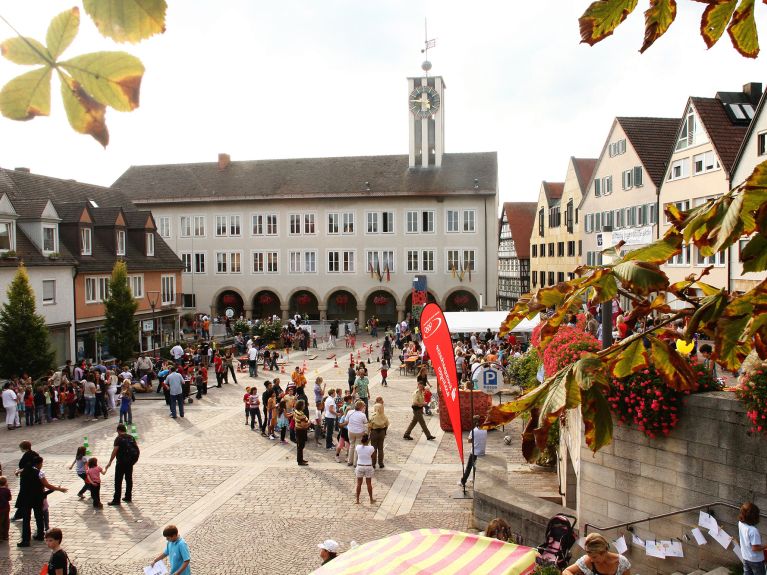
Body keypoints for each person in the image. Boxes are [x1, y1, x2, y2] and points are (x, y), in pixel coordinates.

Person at [563, 533, 631, 575]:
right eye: (590, 557)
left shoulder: (622, 562)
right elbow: (566, 571)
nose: (592, 560)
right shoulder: (587, 561)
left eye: (594, 557)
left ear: (604, 552)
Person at [105, 424, 138, 505]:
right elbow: (136, 447)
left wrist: (110, 461)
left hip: (121, 462)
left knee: (118, 480)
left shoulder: (118, 439)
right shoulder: (131, 437)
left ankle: (116, 499)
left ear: (119, 430)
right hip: (130, 462)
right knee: (129, 479)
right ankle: (128, 496)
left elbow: (115, 451)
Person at [739, 502, 767, 575]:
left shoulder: (740, 523)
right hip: (756, 560)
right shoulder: (753, 531)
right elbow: (755, 548)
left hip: (745, 557)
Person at [461, 416, 487, 487]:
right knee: (476, 467)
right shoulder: (485, 430)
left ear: (475, 423)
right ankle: (474, 479)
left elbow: (469, 441)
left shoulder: (473, 431)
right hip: (482, 452)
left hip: (474, 453)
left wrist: (474, 440)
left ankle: (463, 481)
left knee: (468, 467)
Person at [354, 433, 376, 505]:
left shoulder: (357, 447)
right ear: (368, 440)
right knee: (369, 484)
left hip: (360, 466)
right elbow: (373, 457)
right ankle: (371, 499)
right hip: (368, 466)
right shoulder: (371, 448)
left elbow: (358, 454)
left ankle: (357, 500)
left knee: (358, 484)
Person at [346, 400, 368, 467]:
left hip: (351, 431)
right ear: (361, 407)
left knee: (351, 446)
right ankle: (355, 463)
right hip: (359, 432)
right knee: (357, 446)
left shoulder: (350, 412)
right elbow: (365, 422)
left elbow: (346, 420)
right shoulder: (362, 415)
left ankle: (350, 461)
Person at [368, 398, 389, 469]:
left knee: (373, 449)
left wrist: (368, 433)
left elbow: (369, 426)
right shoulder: (384, 416)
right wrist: (385, 431)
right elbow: (387, 424)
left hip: (374, 432)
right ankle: (381, 463)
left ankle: (373, 463)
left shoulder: (373, 416)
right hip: (382, 432)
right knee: (381, 449)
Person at [294, 399, 310, 466]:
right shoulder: (301, 414)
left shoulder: (296, 411)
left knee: (299, 446)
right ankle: (300, 461)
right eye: (303, 405)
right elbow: (304, 425)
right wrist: (309, 423)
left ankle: (300, 459)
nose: (304, 406)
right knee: (301, 446)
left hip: (298, 429)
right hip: (301, 430)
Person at [0, 475, 10, 541]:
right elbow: (10, 498)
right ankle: (5, 535)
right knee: (6, 521)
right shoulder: (7, 490)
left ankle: (0, 536)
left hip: (0, 509)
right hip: (6, 507)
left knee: (0, 522)